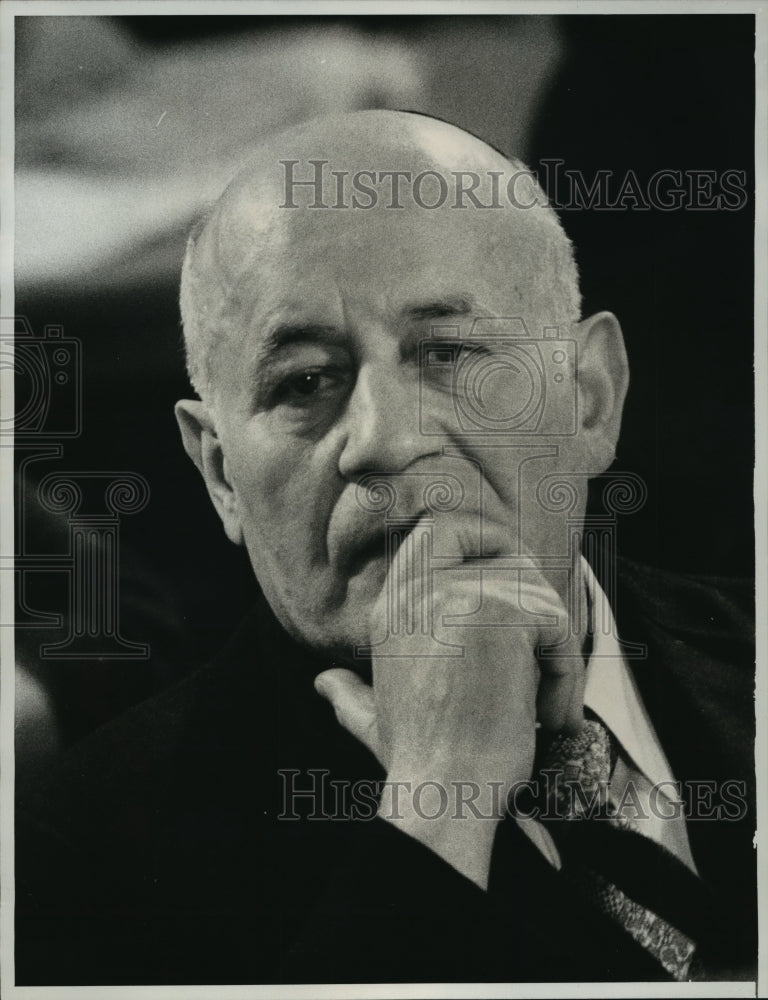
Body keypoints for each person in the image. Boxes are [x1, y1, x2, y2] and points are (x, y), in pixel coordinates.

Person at [15, 111, 756, 985]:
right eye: (304, 383)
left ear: (588, 400)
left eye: (445, 351)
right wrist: (438, 804)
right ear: (219, 474)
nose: (381, 439)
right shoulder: (88, 859)